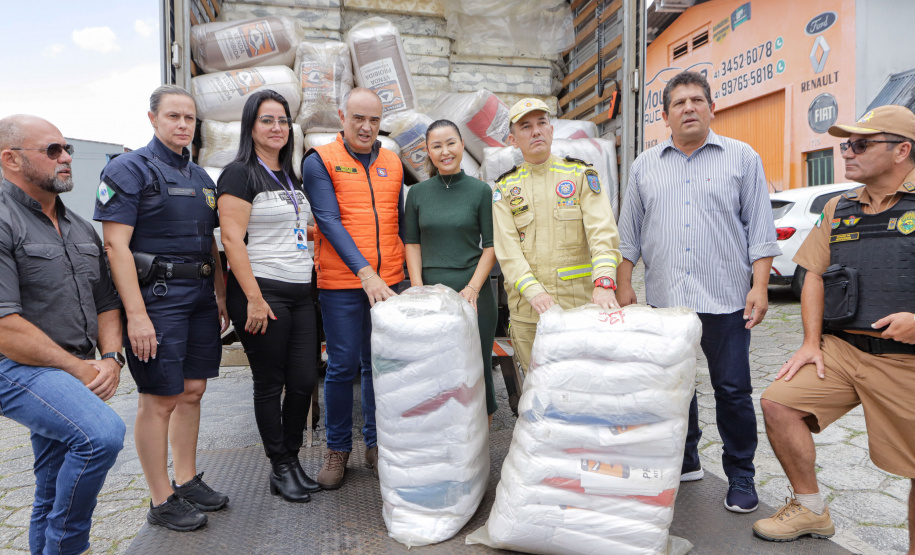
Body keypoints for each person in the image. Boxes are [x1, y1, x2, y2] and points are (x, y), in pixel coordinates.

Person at [616, 70, 780, 513]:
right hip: (667, 302)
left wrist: (760, 287)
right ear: (665, 116)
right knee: (675, 387)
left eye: (696, 100)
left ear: (712, 108)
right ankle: (686, 458)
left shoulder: (742, 157)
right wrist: (624, 283)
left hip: (726, 299)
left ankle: (741, 473)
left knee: (732, 389)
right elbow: (628, 234)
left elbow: (761, 232)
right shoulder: (644, 165)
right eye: (678, 103)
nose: (688, 108)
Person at [754, 105, 915, 545]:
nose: (847, 152)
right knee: (779, 404)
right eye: (846, 144)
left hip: (906, 360)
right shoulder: (838, 207)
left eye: (861, 144)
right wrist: (810, 342)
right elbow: (813, 275)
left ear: (902, 150)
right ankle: (810, 510)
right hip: (843, 350)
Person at [94, 85, 229, 531]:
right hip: (157, 299)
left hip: (200, 296)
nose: (183, 125)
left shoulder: (201, 177)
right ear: (152, 118)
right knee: (159, 397)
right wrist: (136, 315)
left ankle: (186, 479)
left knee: (193, 390)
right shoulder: (128, 169)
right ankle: (160, 498)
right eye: (173, 116)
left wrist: (220, 295)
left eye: (189, 118)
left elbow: (211, 243)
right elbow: (115, 246)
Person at [0, 115, 126, 555]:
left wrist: (111, 358)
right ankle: (69, 546)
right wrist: (78, 369)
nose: (66, 158)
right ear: (11, 159)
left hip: (73, 366)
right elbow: (5, 328)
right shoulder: (3, 220)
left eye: (67, 148)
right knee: (100, 436)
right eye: (52, 150)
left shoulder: (79, 226)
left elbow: (106, 301)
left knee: (52, 486)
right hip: (16, 365)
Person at [217, 90, 321, 503]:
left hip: (300, 293)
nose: (276, 128)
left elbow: (290, 228)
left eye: (282, 121)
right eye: (267, 120)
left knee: (303, 380)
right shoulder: (239, 174)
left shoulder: (289, 176)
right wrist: (254, 299)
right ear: (251, 126)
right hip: (263, 292)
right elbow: (231, 239)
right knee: (270, 383)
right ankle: (280, 466)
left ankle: (291, 460)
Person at [301, 87, 405, 489]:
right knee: (343, 366)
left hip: (389, 282)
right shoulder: (320, 160)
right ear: (343, 116)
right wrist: (365, 273)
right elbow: (327, 221)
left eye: (374, 120)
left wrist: (398, 276)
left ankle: (377, 445)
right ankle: (338, 448)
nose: (366, 127)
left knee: (380, 365)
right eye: (358, 118)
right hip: (343, 284)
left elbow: (398, 220)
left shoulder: (392, 162)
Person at [492, 98, 622, 374]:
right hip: (530, 312)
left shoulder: (580, 175)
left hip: (579, 307)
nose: (536, 131)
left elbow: (602, 234)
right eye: (526, 127)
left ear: (551, 131)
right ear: (513, 140)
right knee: (538, 384)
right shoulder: (505, 189)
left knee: (584, 380)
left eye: (542, 123)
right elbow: (508, 252)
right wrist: (534, 292)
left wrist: (604, 281)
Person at [404, 119, 499, 424]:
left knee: (477, 367)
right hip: (431, 294)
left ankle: (481, 441)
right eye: (437, 146)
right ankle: (443, 437)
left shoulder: (480, 191)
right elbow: (412, 243)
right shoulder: (417, 194)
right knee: (436, 371)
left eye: (451, 143)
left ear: (461, 145)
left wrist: (473, 288)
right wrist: (418, 287)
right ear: (428, 152)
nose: (445, 151)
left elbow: (492, 246)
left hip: (474, 294)